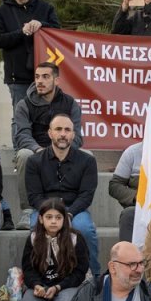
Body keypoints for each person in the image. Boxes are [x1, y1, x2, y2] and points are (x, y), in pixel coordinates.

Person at [24, 114, 100, 277]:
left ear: (73, 134)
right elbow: (34, 196)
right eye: (58, 129)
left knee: (85, 229)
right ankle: (38, 277)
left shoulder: (87, 161)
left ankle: (94, 276)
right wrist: (52, 214)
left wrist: (69, 214)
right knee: (36, 229)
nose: (63, 134)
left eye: (67, 130)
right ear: (50, 133)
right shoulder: (34, 161)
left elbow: (86, 195)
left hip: (75, 209)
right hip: (44, 209)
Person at [13, 62, 84, 229]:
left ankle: (78, 210)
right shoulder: (24, 104)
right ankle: (27, 210)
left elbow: (77, 137)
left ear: (56, 80)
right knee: (24, 155)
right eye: (37, 77)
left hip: (63, 149)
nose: (39, 81)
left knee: (87, 156)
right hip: (35, 151)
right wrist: (40, 151)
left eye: (45, 77)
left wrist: (60, 151)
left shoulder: (70, 104)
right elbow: (22, 135)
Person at [0, 0, 60, 121]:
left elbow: (58, 34)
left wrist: (42, 25)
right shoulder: (1, 12)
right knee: (21, 119)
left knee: (47, 118)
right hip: (18, 78)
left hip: (46, 76)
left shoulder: (46, 8)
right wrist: (21, 32)